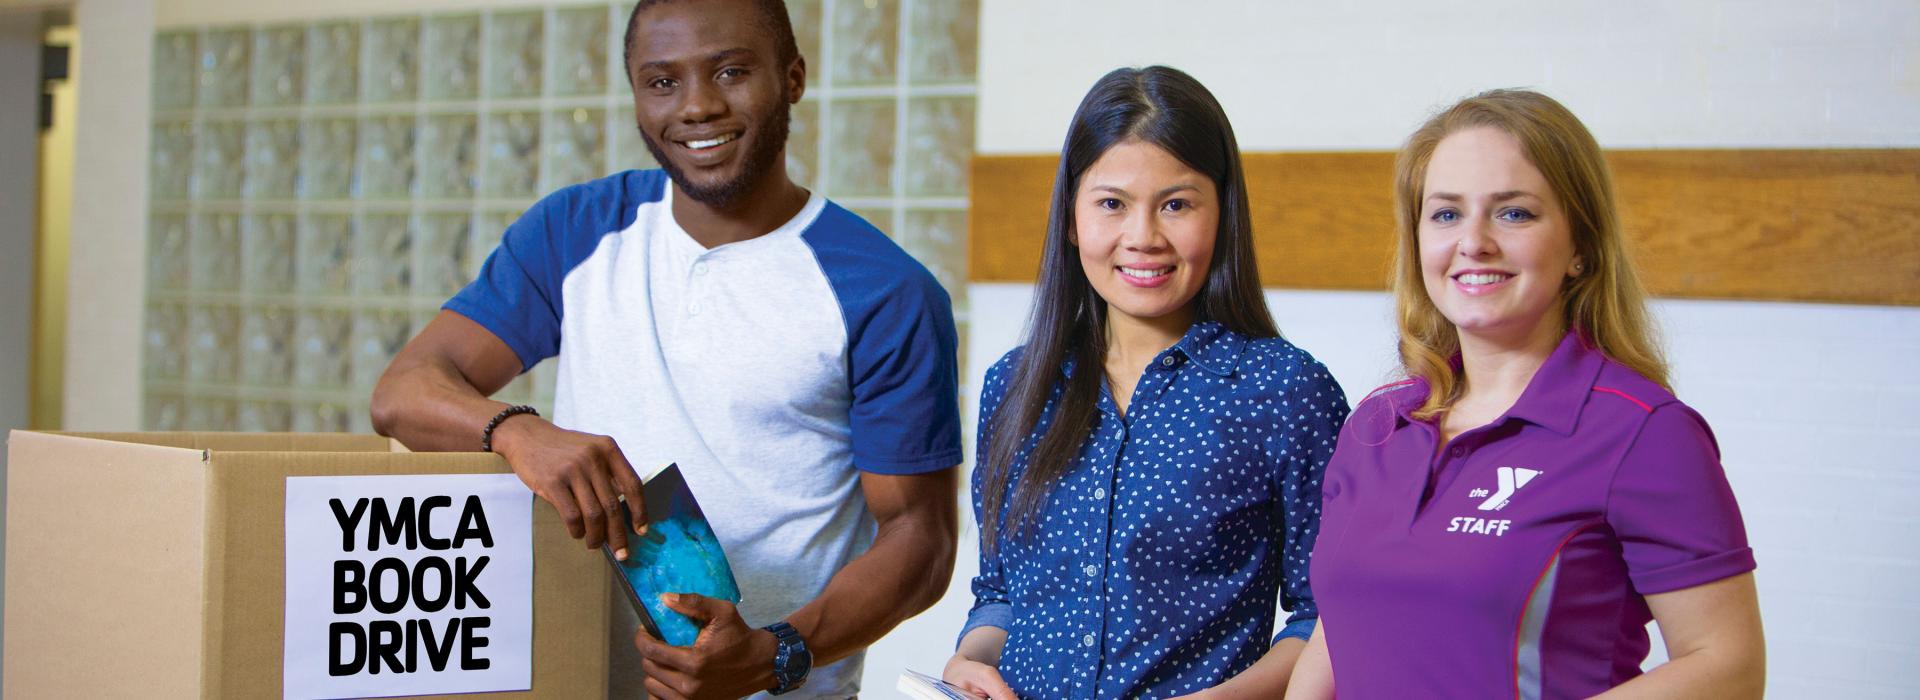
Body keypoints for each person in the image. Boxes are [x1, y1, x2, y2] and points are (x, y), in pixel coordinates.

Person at [369, 0, 963, 697]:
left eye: (732, 72)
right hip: (577, 680)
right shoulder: (576, 230)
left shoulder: (883, 290)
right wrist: (518, 431)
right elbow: (403, 391)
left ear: (793, 78)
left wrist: (775, 654)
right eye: (662, 82)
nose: (698, 106)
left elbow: (920, 542)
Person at [1285, 89, 1765, 699]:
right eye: (1446, 213)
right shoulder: (1377, 425)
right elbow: (1340, 630)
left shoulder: (1645, 431)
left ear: (1580, 248)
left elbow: (1727, 666)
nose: (1474, 241)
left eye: (1513, 213)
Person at [942, 66, 1348, 700]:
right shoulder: (1014, 385)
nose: (1143, 238)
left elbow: (1325, 617)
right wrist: (970, 659)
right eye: (1111, 204)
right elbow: (999, 594)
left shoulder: (1285, 391)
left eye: (1177, 205)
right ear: (1072, 219)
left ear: (1223, 215)